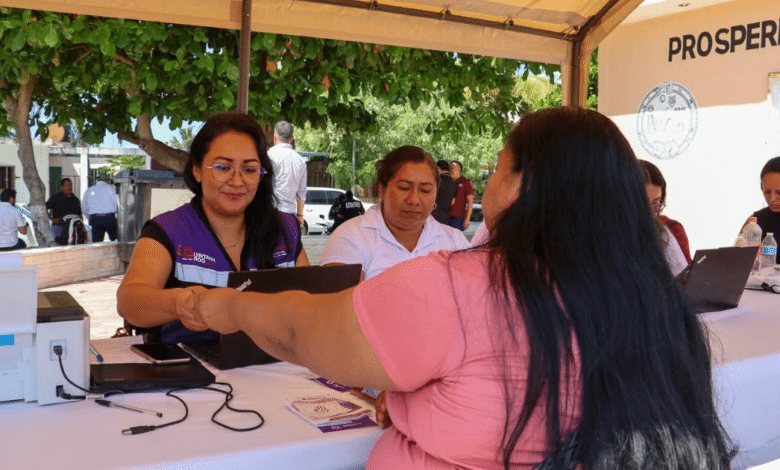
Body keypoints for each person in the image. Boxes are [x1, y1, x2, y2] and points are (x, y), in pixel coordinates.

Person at [179, 107, 732, 469]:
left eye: (497, 168)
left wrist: (222, 303)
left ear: (523, 187)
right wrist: (415, 402)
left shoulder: (460, 279)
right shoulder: (654, 299)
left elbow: (301, 332)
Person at [117, 112, 309, 343]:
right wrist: (182, 302)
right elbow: (129, 302)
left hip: (276, 370)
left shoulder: (285, 230)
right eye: (222, 167)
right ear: (197, 169)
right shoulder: (168, 230)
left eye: (249, 170)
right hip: (188, 373)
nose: (237, 181)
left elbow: (308, 303)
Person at [319, 146, 470, 280]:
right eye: (404, 188)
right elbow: (340, 306)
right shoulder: (350, 237)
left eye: (425, 190)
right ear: (382, 190)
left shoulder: (455, 241)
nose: (414, 200)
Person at [639, 160, 692, 263]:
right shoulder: (608, 237)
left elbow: (689, 277)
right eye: (642, 204)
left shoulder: (672, 229)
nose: (649, 213)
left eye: (655, 204)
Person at [267, 121, 307, 227]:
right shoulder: (300, 161)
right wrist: (300, 215)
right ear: (291, 139)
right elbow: (301, 193)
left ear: (275, 137)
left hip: (268, 214)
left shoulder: (268, 157)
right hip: (289, 216)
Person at [745, 156, 780, 239]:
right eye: (767, 192)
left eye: (779, 192)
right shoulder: (756, 223)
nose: (772, 199)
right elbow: (739, 251)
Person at [81, 173, 118, 242]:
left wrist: (90, 217)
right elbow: (117, 204)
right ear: (107, 180)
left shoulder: (89, 190)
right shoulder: (111, 189)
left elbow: (84, 208)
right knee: (115, 241)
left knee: (97, 243)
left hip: (95, 219)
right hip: (109, 218)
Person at [45, 178, 82, 244]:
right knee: (58, 247)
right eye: (67, 185)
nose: (69, 187)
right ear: (62, 187)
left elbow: (79, 214)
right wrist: (52, 219)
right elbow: (44, 208)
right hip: (59, 226)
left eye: (70, 185)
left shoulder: (76, 199)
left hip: (73, 228)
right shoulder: (56, 197)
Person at [448, 160, 474, 231]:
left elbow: (470, 202)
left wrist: (467, 219)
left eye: (452, 167)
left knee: (455, 240)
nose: (450, 169)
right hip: (445, 216)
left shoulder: (465, 182)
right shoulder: (447, 181)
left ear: (459, 169)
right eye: (450, 167)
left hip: (458, 217)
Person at [432, 159, 456, 224]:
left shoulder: (438, 181)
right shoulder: (453, 182)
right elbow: (452, 202)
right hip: (445, 216)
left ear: (438, 168)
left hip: (434, 215)